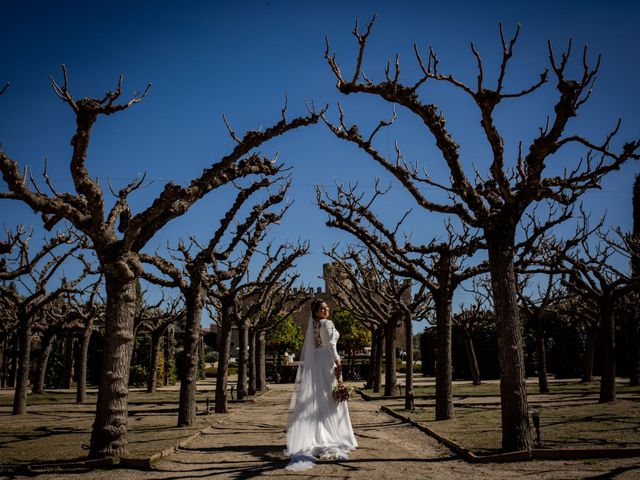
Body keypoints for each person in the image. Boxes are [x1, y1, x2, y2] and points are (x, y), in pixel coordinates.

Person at [284, 299, 358, 470]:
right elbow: (332, 345)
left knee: (318, 398)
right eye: (322, 308)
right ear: (316, 312)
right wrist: (338, 363)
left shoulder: (314, 325)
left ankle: (317, 435)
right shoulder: (328, 323)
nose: (326, 310)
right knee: (330, 397)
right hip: (326, 362)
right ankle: (333, 435)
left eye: (326, 307)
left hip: (316, 362)